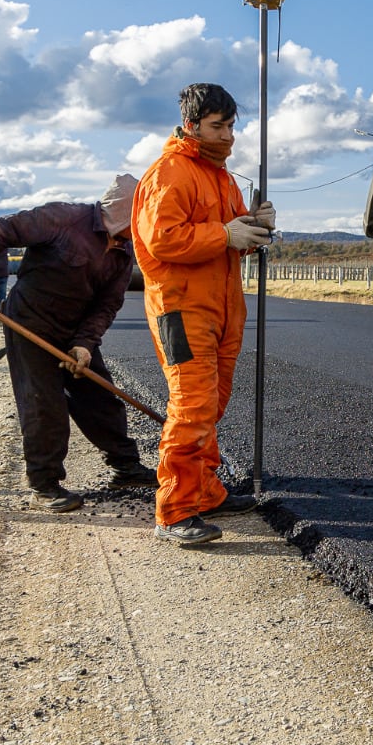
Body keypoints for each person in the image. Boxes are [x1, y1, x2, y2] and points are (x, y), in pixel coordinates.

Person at [0, 175, 158, 512]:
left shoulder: (122, 252)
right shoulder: (64, 218)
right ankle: (44, 483)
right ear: (124, 211)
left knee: (100, 397)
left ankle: (126, 467)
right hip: (30, 324)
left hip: (73, 331)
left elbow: (107, 304)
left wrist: (85, 344)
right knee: (44, 404)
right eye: (143, 215)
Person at [133, 82, 275, 546]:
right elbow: (163, 240)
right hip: (180, 308)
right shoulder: (169, 173)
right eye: (218, 127)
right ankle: (174, 511)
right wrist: (226, 235)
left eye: (232, 126)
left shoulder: (222, 177)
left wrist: (257, 226)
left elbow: (236, 238)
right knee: (192, 405)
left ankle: (206, 491)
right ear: (192, 125)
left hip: (224, 307)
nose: (229, 136)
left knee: (212, 404)